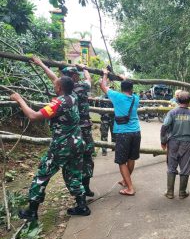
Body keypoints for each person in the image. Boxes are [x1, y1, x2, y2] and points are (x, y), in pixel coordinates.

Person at [14, 76, 90, 221]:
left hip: (62, 146)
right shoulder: (73, 96)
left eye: (55, 84)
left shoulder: (58, 103)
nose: (53, 85)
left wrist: (19, 100)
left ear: (60, 88)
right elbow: (57, 79)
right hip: (77, 143)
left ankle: (32, 210)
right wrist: (41, 64)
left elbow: (33, 116)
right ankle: (82, 206)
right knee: (73, 174)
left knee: (42, 175)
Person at [32, 57, 95, 197]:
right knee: (85, 158)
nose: (61, 77)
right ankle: (85, 190)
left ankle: (80, 193)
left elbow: (55, 79)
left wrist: (42, 64)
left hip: (70, 133)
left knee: (72, 163)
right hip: (83, 130)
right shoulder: (81, 87)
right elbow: (88, 79)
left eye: (65, 75)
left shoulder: (68, 93)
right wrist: (84, 68)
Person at [101, 69, 141, 196]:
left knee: (121, 161)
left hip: (123, 133)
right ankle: (125, 180)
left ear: (121, 88)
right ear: (132, 88)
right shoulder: (136, 98)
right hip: (136, 132)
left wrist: (105, 74)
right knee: (131, 158)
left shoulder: (116, 96)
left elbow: (103, 86)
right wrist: (124, 78)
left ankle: (130, 188)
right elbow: (129, 88)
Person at [160, 91, 190, 199]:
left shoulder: (172, 113)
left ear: (177, 101)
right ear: (189, 102)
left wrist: (163, 141)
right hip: (187, 143)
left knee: (171, 166)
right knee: (186, 167)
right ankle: (182, 193)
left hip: (172, 142)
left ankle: (169, 192)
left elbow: (164, 127)